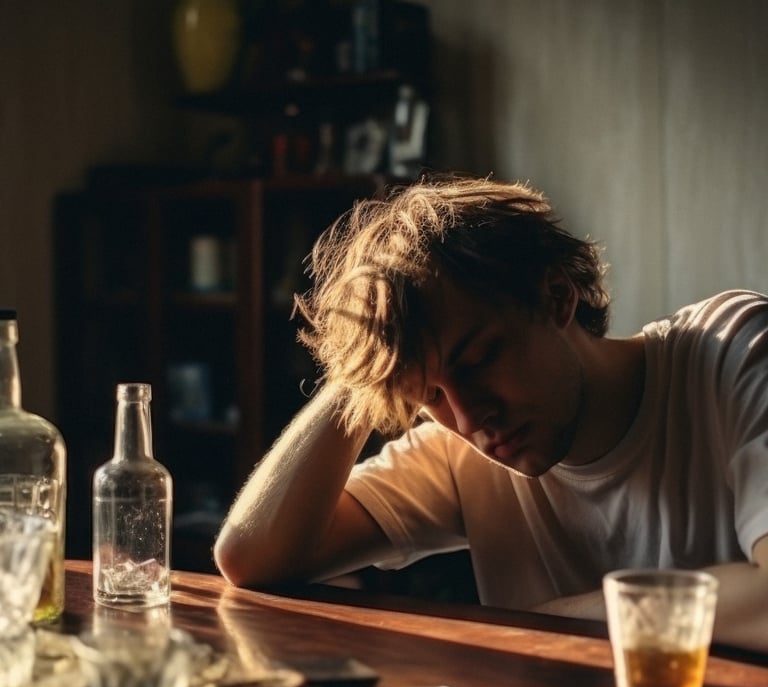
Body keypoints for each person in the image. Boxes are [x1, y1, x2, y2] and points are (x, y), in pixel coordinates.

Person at [214, 174, 768, 652]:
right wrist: (363, 367)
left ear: (556, 296)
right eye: (428, 395)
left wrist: (552, 623)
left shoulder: (733, 352)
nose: (470, 417)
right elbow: (252, 557)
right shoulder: (459, 454)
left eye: (479, 359)